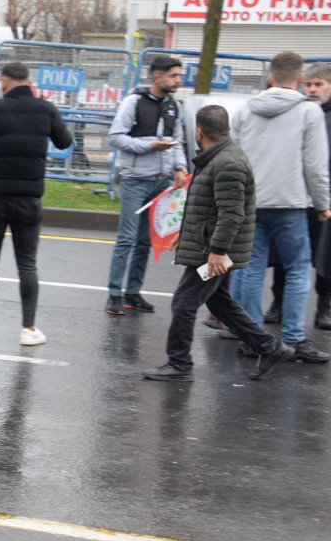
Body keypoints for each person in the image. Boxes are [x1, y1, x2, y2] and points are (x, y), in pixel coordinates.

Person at [142, 106, 296, 381]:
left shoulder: (227, 163)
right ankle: (270, 348)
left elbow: (231, 213)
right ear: (227, 129)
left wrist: (217, 252)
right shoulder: (218, 159)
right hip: (209, 245)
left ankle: (179, 364)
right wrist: (186, 232)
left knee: (183, 304)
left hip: (211, 251)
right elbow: (209, 207)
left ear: (199, 132)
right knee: (220, 302)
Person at [0, 61, 73, 346]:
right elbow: (65, 141)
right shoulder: (46, 109)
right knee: (28, 264)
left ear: (4, 82)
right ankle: (29, 328)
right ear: (28, 82)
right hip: (29, 199)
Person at [230, 50, 331, 363]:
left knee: (250, 269)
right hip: (290, 203)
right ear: (299, 79)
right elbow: (314, 164)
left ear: (270, 76)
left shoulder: (245, 110)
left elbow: (232, 157)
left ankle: (253, 337)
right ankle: (294, 339)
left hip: (251, 203)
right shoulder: (309, 112)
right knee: (298, 268)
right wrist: (323, 203)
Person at [105, 55, 189, 316]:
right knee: (127, 238)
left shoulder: (175, 105)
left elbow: (178, 142)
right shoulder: (134, 102)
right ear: (157, 77)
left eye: (179, 75)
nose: (178, 80)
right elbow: (116, 137)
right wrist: (149, 146)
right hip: (135, 181)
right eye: (173, 76)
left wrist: (180, 168)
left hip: (162, 183)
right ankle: (114, 295)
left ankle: (133, 293)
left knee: (145, 242)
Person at [308, 63, 331, 330]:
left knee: (325, 255)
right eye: (309, 85)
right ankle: (277, 303)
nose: (312, 90)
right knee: (285, 256)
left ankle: (324, 307)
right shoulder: (302, 113)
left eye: (318, 84)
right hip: (299, 195)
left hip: (326, 197)